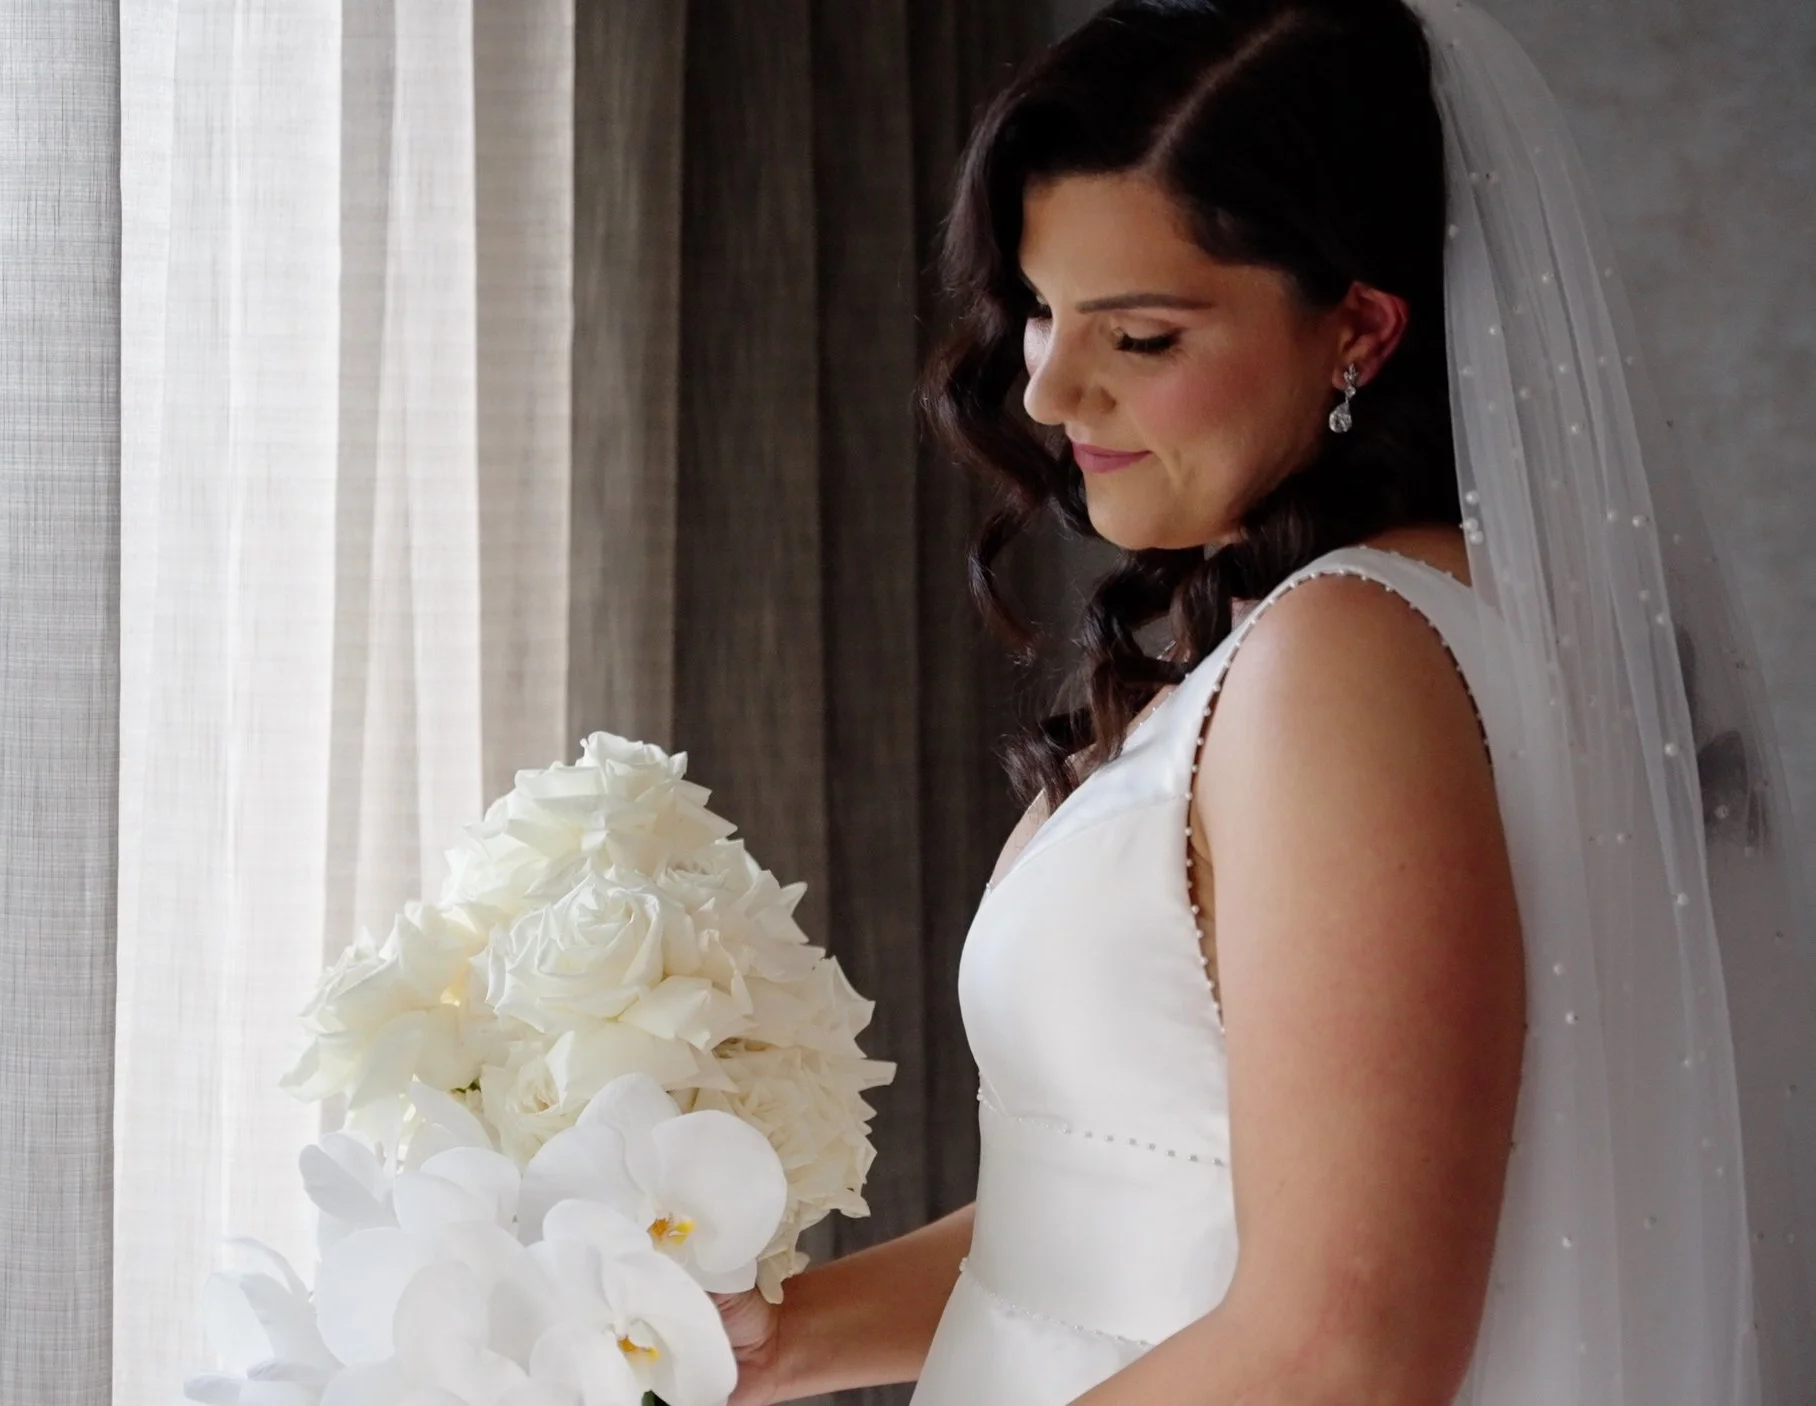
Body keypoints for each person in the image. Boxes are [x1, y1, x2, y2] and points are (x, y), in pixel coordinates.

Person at [709, 0, 1816, 1402]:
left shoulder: (1343, 661)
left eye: (1144, 336)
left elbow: (1347, 1346)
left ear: (1358, 328)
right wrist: (760, 1340)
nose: (1047, 388)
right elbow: (1131, 1207)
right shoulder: (1365, 636)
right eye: (1042, 308)